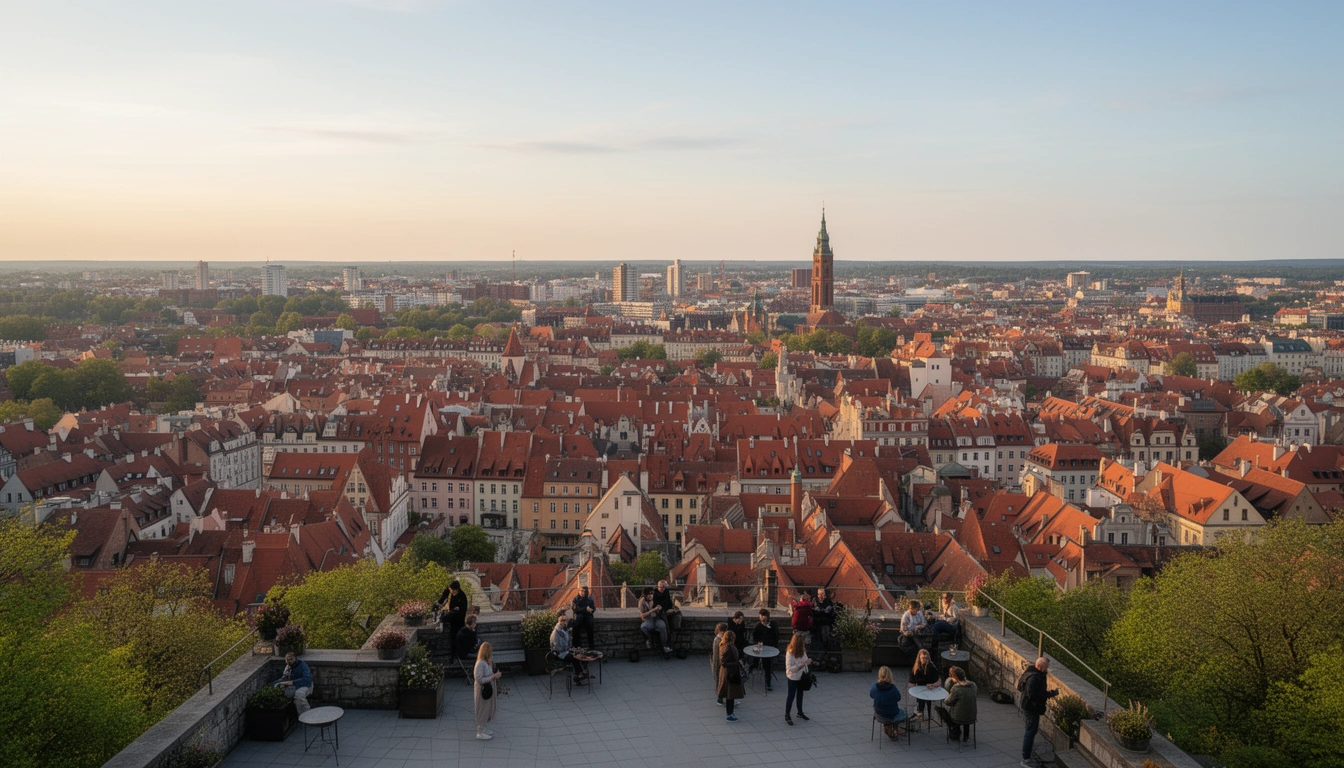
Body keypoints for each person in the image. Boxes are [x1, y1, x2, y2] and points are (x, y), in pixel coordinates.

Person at [1020, 657, 1059, 767]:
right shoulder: (1034, 678)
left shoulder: (1035, 674)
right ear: (1040, 667)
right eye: (1046, 667)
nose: (1047, 670)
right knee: (1030, 732)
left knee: (1031, 731)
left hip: (1031, 707)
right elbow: (1033, 695)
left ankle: (1027, 756)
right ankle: (1025, 759)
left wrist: (1050, 693)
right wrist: (1048, 695)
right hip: (1031, 708)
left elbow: (1037, 693)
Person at [939, 666, 978, 742]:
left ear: (954, 678)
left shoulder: (956, 688)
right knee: (965, 709)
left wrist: (948, 684)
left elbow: (947, 702)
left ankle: (955, 732)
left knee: (945, 710)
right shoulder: (973, 685)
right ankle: (966, 736)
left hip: (958, 717)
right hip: (972, 716)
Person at [474, 642, 503, 740]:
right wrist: (493, 677)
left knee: (487, 708)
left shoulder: (487, 662)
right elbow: (479, 679)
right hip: (482, 690)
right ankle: (480, 732)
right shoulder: (480, 663)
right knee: (482, 709)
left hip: (489, 688)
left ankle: (483, 728)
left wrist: (494, 676)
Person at [870, 665, 906, 740]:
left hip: (879, 714)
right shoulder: (893, 688)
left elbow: (871, 695)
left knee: (886, 709)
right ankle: (894, 730)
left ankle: (889, 729)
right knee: (903, 712)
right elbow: (898, 698)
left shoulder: (874, 686)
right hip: (891, 715)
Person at [716, 630, 745, 722]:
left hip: (726, 672)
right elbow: (723, 662)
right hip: (730, 673)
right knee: (730, 694)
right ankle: (729, 714)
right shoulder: (729, 647)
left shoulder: (723, 645)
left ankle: (729, 712)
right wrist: (736, 663)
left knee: (729, 694)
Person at [783, 633, 811, 726]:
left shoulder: (802, 650)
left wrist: (808, 661)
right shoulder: (790, 652)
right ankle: (787, 715)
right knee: (791, 696)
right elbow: (790, 668)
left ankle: (800, 712)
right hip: (792, 676)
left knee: (800, 694)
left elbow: (805, 658)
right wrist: (802, 664)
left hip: (801, 675)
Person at [551, 613, 585, 685]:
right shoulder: (556, 632)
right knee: (574, 658)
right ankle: (579, 674)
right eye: (562, 621)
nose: (564, 622)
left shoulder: (565, 630)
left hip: (565, 651)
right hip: (559, 654)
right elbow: (557, 647)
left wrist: (573, 649)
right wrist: (569, 650)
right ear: (559, 621)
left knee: (579, 654)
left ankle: (578, 675)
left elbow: (569, 643)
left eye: (565, 620)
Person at [750, 609, 779, 691]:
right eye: (761, 616)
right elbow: (755, 637)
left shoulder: (772, 625)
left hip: (770, 648)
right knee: (755, 659)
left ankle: (768, 681)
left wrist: (767, 642)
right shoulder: (758, 626)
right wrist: (758, 643)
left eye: (763, 616)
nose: (762, 618)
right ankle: (752, 668)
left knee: (768, 665)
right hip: (760, 648)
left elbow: (776, 637)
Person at [909, 648, 941, 720]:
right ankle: (920, 712)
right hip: (919, 688)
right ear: (919, 658)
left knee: (927, 701)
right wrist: (914, 686)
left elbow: (938, 680)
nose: (924, 660)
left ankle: (927, 714)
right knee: (920, 701)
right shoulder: (916, 668)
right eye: (923, 658)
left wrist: (933, 685)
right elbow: (912, 680)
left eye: (926, 658)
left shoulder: (932, 667)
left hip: (929, 688)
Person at [638, 587, 670, 659]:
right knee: (644, 627)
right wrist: (651, 611)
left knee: (662, 626)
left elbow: (665, 607)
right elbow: (642, 616)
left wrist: (660, 608)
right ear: (645, 595)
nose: (650, 596)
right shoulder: (642, 602)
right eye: (648, 594)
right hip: (648, 619)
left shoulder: (656, 599)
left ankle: (664, 645)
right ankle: (648, 639)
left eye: (651, 594)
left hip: (657, 618)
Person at [439, 580, 469, 657]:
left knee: (458, 638)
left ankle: (458, 653)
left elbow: (462, 610)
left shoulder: (462, 596)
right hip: (453, 621)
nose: (451, 591)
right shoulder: (453, 595)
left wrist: (455, 610)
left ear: (456, 589)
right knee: (452, 637)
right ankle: (453, 653)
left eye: (452, 589)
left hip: (459, 621)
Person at [711, 621, 727, 705]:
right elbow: (716, 656)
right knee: (720, 682)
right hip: (719, 665)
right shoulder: (717, 640)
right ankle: (720, 699)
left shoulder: (721, 639)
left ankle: (722, 698)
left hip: (721, 664)